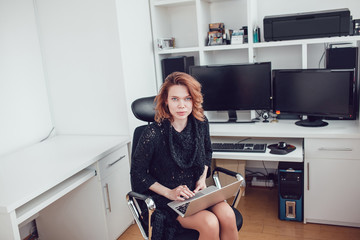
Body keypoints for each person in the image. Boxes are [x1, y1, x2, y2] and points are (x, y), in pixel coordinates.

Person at [131, 72, 238, 240]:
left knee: (228, 215)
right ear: (166, 100)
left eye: (187, 98)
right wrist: (170, 193)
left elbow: (207, 152)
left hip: (195, 193)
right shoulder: (153, 133)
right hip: (166, 199)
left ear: (194, 100)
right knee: (210, 222)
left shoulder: (201, 123)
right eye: (175, 99)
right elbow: (138, 173)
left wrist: (202, 179)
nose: (182, 105)